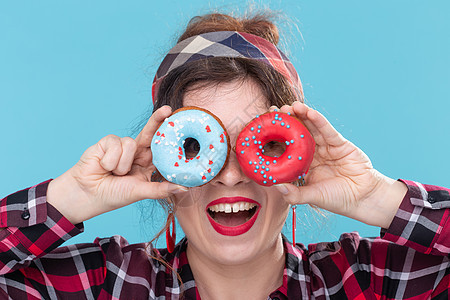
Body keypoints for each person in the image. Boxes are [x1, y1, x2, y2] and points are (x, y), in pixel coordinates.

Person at [1, 11, 449, 300]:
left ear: (298, 163)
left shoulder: (365, 282)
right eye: (196, 147)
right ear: (160, 166)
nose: (231, 175)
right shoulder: (108, 285)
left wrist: (377, 196)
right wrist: (71, 196)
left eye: (264, 146)